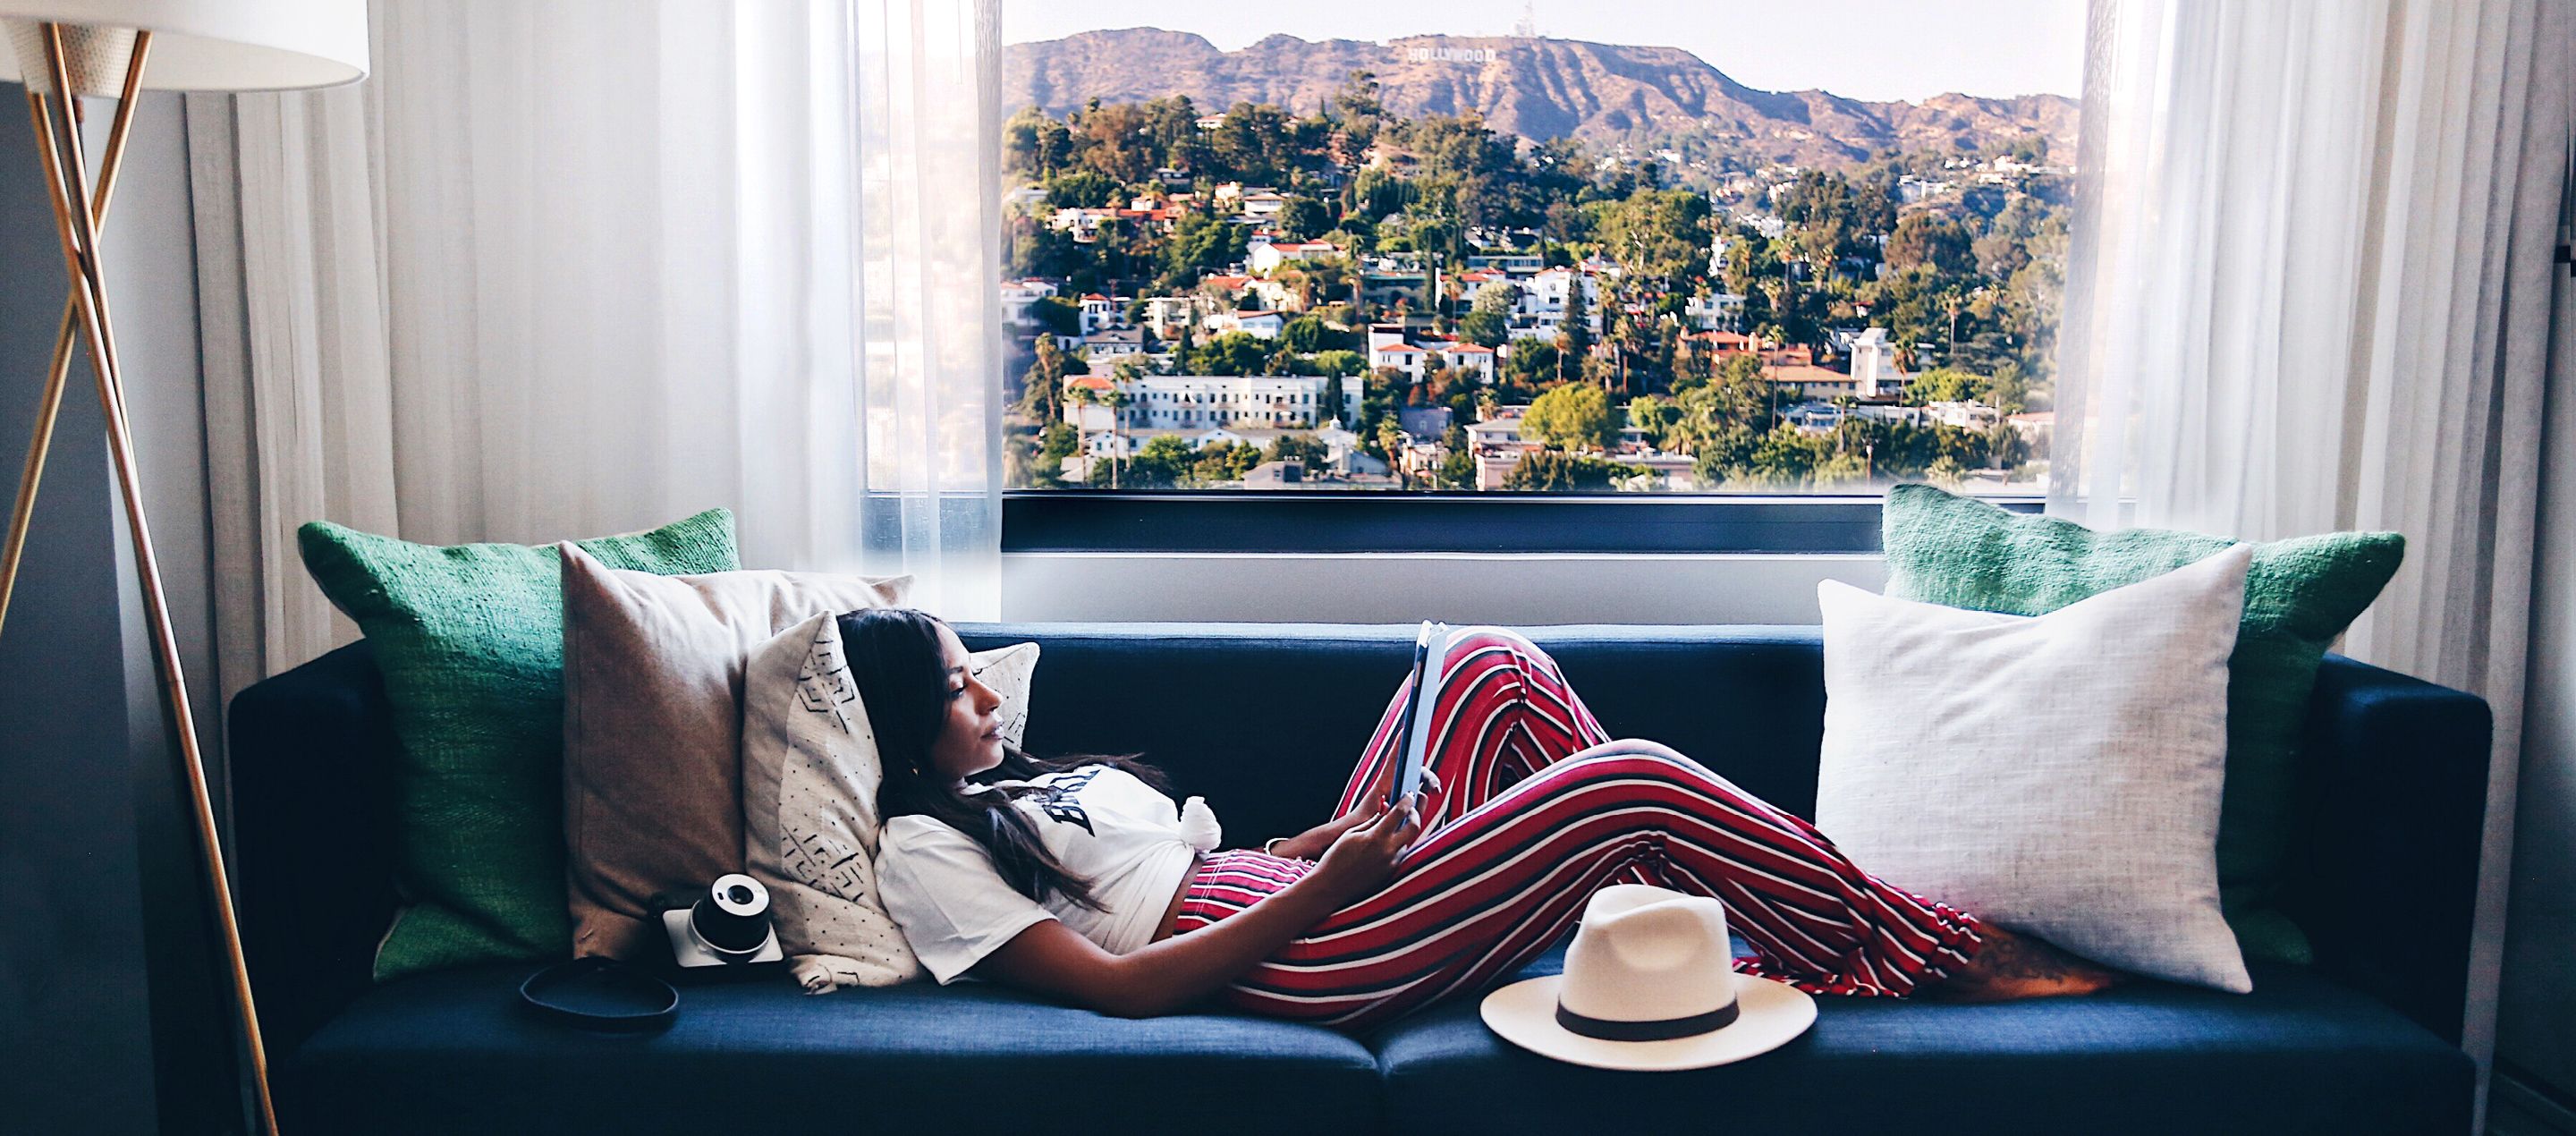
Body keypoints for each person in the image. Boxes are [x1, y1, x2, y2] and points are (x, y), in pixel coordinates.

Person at [856, 610, 2117, 1030]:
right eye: (956, 685)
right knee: (1633, 779)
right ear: (894, 724)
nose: (986, 691)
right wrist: (1324, 890)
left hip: (1285, 886)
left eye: (980, 669)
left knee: (1486, 659)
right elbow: (1119, 989)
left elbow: (1185, 861)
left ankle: (1659, 912)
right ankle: (1914, 951)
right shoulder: (922, 848)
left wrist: (1311, 848)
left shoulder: (1014, 787)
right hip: (1298, 957)